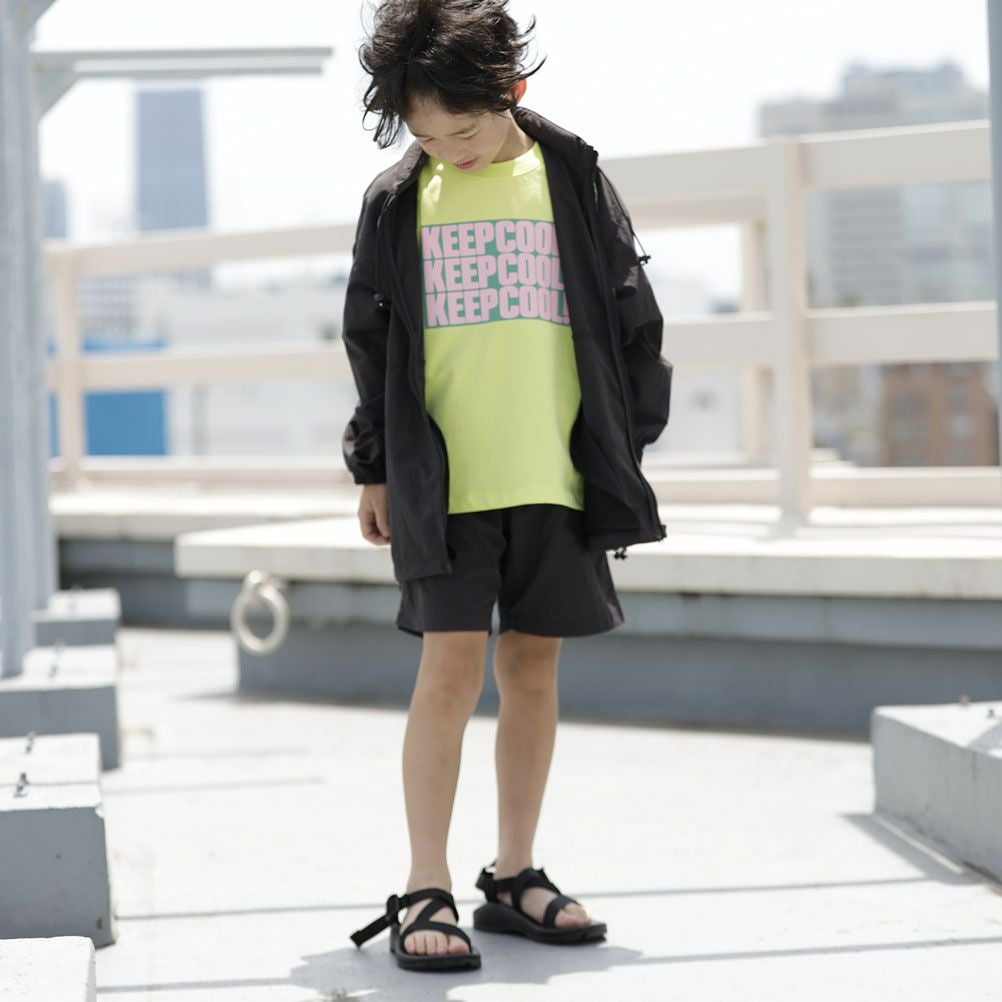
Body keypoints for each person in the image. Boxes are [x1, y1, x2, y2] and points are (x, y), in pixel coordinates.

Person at [344, 0, 671, 972]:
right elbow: (370, 341)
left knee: (533, 669)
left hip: (554, 474)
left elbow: (632, 315)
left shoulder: (568, 175)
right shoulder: (398, 200)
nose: (450, 152)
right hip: (441, 482)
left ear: (511, 91)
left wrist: (624, 445)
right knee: (448, 670)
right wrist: (373, 465)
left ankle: (515, 871)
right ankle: (426, 882)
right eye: (426, 138)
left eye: (465, 132)